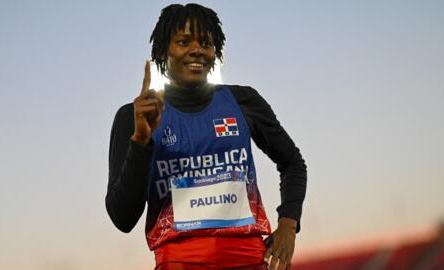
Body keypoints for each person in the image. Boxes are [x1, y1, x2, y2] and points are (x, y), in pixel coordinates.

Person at [106, 3, 307, 270]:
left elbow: (292, 162)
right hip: (178, 262)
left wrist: (288, 225)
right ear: (164, 50)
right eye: (184, 41)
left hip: (247, 259)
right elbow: (123, 218)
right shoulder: (136, 116)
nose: (197, 50)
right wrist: (141, 142)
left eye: (206, 42)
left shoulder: (243, 101)